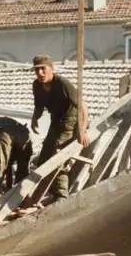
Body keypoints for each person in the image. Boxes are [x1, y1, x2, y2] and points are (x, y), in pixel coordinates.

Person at [31, 54, 89, 199]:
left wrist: (82, 130)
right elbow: (38, 106)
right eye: (36, 70)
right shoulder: (37, 85)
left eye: (43, 69)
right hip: (55, 119)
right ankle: (45, 192)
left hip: (71, 118)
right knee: (44, 157)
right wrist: (34, 118)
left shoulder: (62, 83)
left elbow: (83, 107)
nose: (40, 73)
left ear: (52, 69)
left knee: (58, 153)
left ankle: (61, 194)